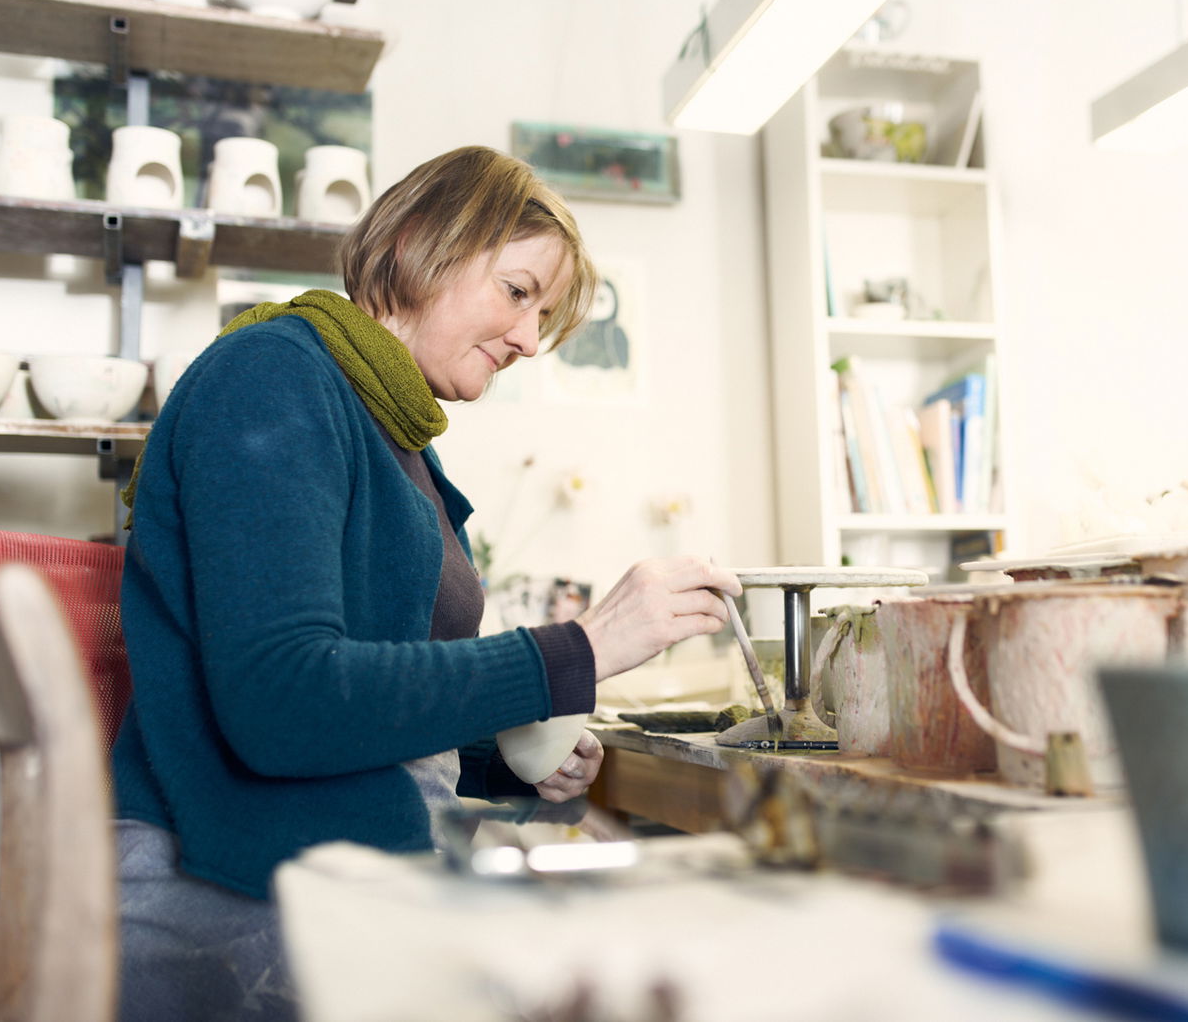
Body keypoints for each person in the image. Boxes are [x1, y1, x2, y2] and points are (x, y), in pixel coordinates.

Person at [109, 145, 742, 1022]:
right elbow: (281, 703)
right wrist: (581, 648)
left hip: (335, 863)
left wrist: (503, 754)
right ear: (416, 244)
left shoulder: (391, 429)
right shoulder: (272, 377)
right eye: (518, 293)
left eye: (543, 314)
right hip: (228, 885)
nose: (528, 340)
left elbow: (361, 692)